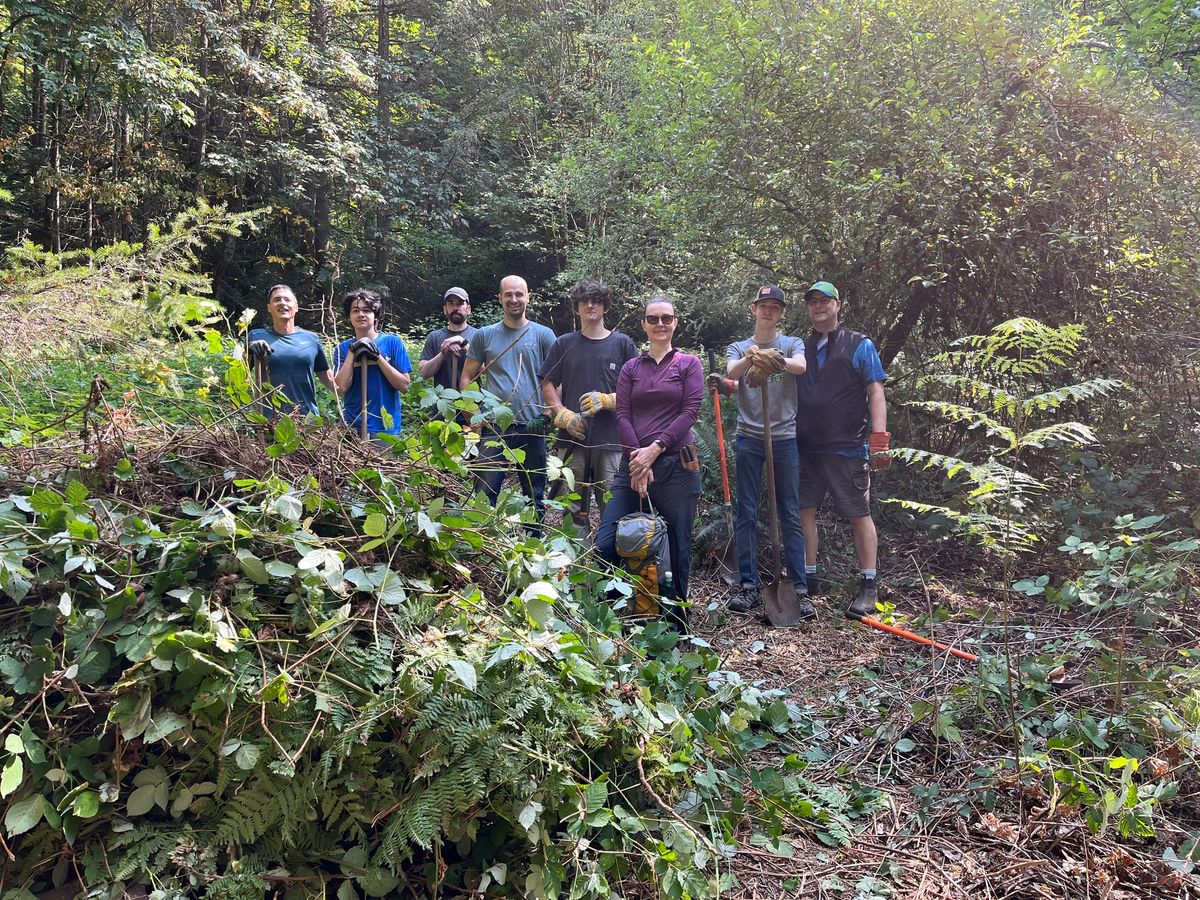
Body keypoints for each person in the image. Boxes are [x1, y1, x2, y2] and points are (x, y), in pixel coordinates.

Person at [595, 296, 703, 627]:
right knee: (606, 542)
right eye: (652, 319)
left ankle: (675, 623)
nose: (659, 324)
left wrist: (653, 451)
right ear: (643, 324)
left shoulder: (688, 364)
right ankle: (615, 618)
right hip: (633, 464)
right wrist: (637, 460)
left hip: (676, 468)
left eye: (666, 319)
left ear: (675, 323)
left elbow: (690, 411)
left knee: (675, 545)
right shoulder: (631, 368)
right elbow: (623, 414)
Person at [710, 284, 812, 618]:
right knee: (747, 512)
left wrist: (775, 360)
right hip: (750, 438)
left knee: (790, 512)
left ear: (781, 312)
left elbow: (800, 366)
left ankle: (799, 589)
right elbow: (731, 372)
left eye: (775, 307)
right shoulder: (739, 346)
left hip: (784, 437)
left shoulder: (790, 343)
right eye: (763, 306)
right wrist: (753, 355)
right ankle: (749, 586)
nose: (768, 311)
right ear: (753, 309)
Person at [794, 281, 891, 619]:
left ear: (838, 305)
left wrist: (879, 438)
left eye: (825, 301)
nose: (818, 306)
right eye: (813, 302)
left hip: (848, 445)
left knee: (857, 513)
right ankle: (807, 579)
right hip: (806, 446)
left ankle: (868, 584)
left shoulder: (858, 344)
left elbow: (875, 391)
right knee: (804, 510)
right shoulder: (799, 348)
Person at [539, 280, 638, 539]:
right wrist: (562, 413)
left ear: (605, 306)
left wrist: (610, 399)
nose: (590, 305)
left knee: (613, 506)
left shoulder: (623, 344)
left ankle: (609, 568)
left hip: (612, 441)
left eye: (596, 301)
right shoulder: (564, 343)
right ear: (577, 308)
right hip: (573, 440)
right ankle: (576, 572)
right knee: (572, 508)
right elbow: (548, 381)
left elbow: (638, 387)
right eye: (584, 301)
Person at [459, 275, 556, 522]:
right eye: (509, 295)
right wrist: (473, 415)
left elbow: (556, 380)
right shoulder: (484, 335)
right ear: (500, 298)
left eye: (519, 294)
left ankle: (535, 547)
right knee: (484, 492)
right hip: (494, 428)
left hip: (532, 427)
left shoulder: (543, 335)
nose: (514, 299)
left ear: (528, 297)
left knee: (534, 494)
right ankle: (480, 548)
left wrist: (547, 416)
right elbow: (467, 377)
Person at [332, 288, 412, 440]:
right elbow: (340, 389)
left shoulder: (392, 343)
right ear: (349, 316)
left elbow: (405, 386)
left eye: (367, 310)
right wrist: (352, 352)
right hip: (352, 426)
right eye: (355, 310)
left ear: (375, 316)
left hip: (385, 428)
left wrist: (377, 357)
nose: (361, 314)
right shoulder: (342, 349)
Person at [246, 284, 336, 416]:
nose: (282, 303)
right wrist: (248, 352)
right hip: (268, 420)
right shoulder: (256, 336)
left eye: (287, 300)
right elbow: (239, 375)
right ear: (269, 308)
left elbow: (330, 380)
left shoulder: (312, 339)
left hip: (307, 418)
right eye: (277, 300)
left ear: (296, 307)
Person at [419, 287, 477, 391]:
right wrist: (443, 352)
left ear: (468, 309)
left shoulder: (478, 335)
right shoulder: (434, 337)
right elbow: (424, 374)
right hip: (442, 403)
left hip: (472, 403)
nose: (456, 308)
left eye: (460, 303)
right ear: (445, 309)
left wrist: (465, 345)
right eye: (451, 303)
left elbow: (486, 369)